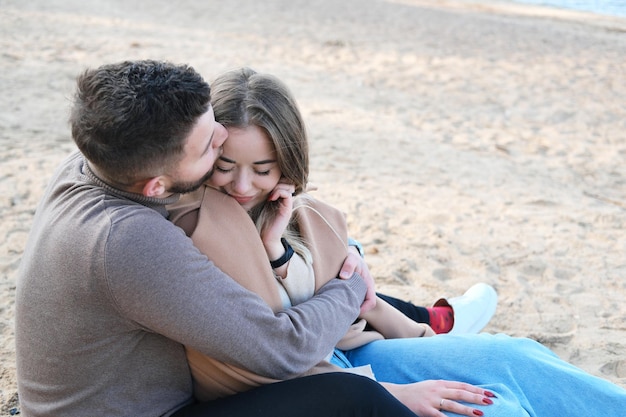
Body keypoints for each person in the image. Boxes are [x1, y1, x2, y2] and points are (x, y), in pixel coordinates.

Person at [171, 67, 626, 417]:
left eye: (263, 169)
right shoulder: (198, 227)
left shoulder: (307, 216)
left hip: (350, 355)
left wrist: (425, 339)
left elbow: (357, 311)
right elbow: (267, 358)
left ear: (288, 162)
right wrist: (397, 392)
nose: (242, 185)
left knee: (512, 355)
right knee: (494, 408)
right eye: (225, 165)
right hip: (308, 387)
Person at [14, 59, 432, 417]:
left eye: (211, 123)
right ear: (157, 186)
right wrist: (354, 282)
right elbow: (282, 350)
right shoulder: (129, 240)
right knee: (352, 399)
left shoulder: (96, 159)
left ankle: (428, 317)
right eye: (210, 149)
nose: (221, 137)